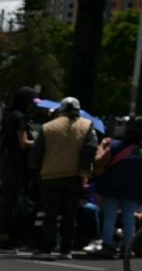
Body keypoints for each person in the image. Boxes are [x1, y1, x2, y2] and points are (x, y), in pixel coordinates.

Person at [31, 96, 97, 259]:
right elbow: (90, 149)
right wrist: (84, 171)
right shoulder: (87, 126)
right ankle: (66, 249)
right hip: (73, 176)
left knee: (50, 214)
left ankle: (46, 247)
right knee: (70, 215)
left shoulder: (48, 127)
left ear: (61, 109)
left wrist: (38, 170)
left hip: (50, 175)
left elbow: (36, 153)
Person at [0, 87, 38, 250]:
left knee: (8, 198)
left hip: (8, 160)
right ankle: (4, 236)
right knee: (10, 199)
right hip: (16, 162)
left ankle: (3, 234)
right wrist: (41, 143)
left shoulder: (10, 116)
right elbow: (24, 143)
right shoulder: (20, 118)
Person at [91, 118, 142, 259]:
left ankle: (108, 245)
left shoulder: (115, 146)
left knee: (110, 216)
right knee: (129, 217)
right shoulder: (140, 150)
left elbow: (99, 161)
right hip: (134, 188)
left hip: (112, 186)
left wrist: (102, 145)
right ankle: (128, 247)